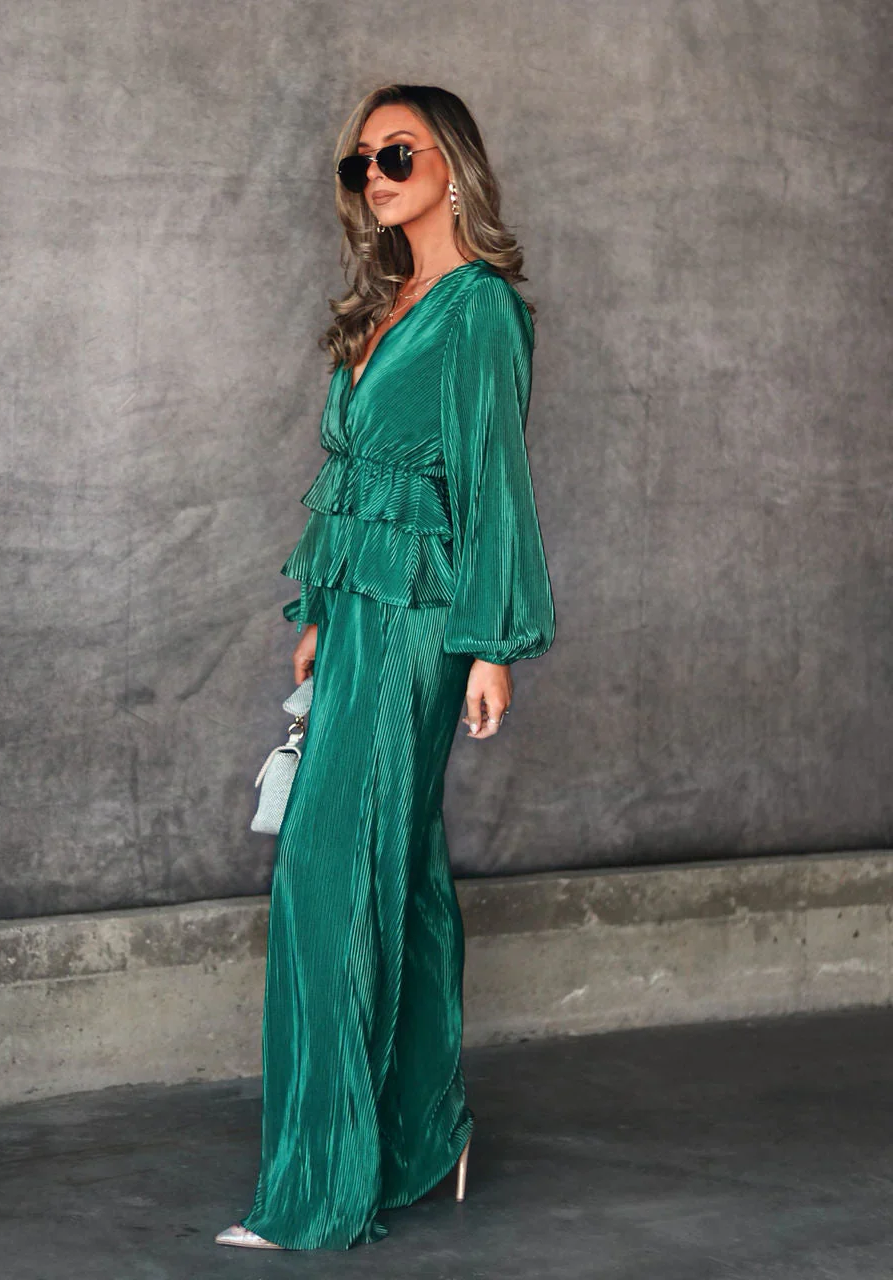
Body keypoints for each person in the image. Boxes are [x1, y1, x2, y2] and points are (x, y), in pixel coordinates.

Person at [216, 82, 556, 1252]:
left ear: (451, 162)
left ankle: (320, 1182)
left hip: (421, 624)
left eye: (396, 153)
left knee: (329, 873)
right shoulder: (386, 301)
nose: (374, 174)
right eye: (359, 161)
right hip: (358, 611)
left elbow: (490, 480)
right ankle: (421, 1132)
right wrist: (319, 608)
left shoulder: (480, 310)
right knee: (395, 870)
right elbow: (356, 482)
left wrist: (490, 643)